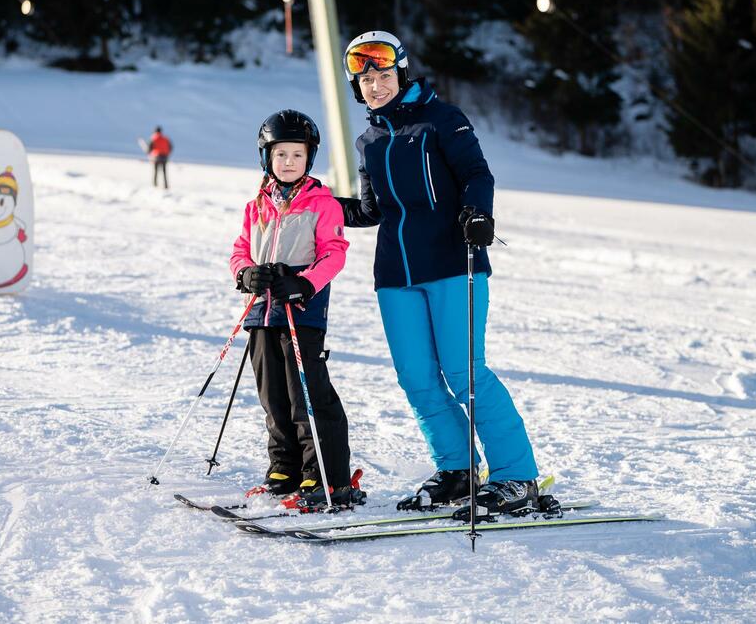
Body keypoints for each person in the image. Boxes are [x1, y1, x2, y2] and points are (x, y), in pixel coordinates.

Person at [335, 31, 540, 518]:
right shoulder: (369, 141)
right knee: (418, 379)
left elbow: (477, 174)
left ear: (401, 74)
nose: (376, 86)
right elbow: (370, 211)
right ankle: (457, 470)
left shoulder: (442, 120)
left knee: (465, 373)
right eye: (366, 80)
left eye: (384, 76)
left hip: (453, 262)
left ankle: (516, 477)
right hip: (395, 275)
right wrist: (317, 203)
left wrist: (478, 213)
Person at [230, 109, 363, 510]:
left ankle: (324, 476)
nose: (288, 163)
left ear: (310, 158)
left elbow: (335, 253)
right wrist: (245, 274)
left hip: (300, 311)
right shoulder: (257, 205)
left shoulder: (323, 203)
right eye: (281, 154)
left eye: (297, 155)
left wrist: (304, 282)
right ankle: (283, 467)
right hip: (261, 314)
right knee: (272, 395)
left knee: (306, 394)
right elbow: (240, 249)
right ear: (266, 157)